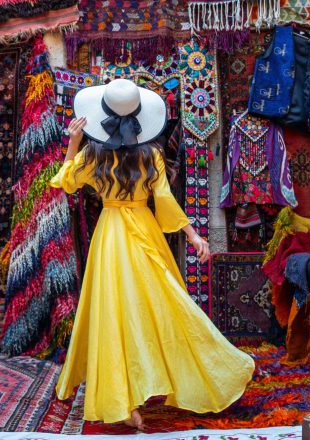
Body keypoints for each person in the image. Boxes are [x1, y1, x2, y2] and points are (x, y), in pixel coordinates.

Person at [51, 79, 255, 430]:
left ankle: (124, 399)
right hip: (144, 231)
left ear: (101, 115)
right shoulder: (153, 155)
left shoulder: (92, 154)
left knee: (115, 313)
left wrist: (73, 142)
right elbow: (165, 200)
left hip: (111, 235)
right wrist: (193, 236)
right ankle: (208, 371)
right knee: (163, 304)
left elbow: (66, 181)